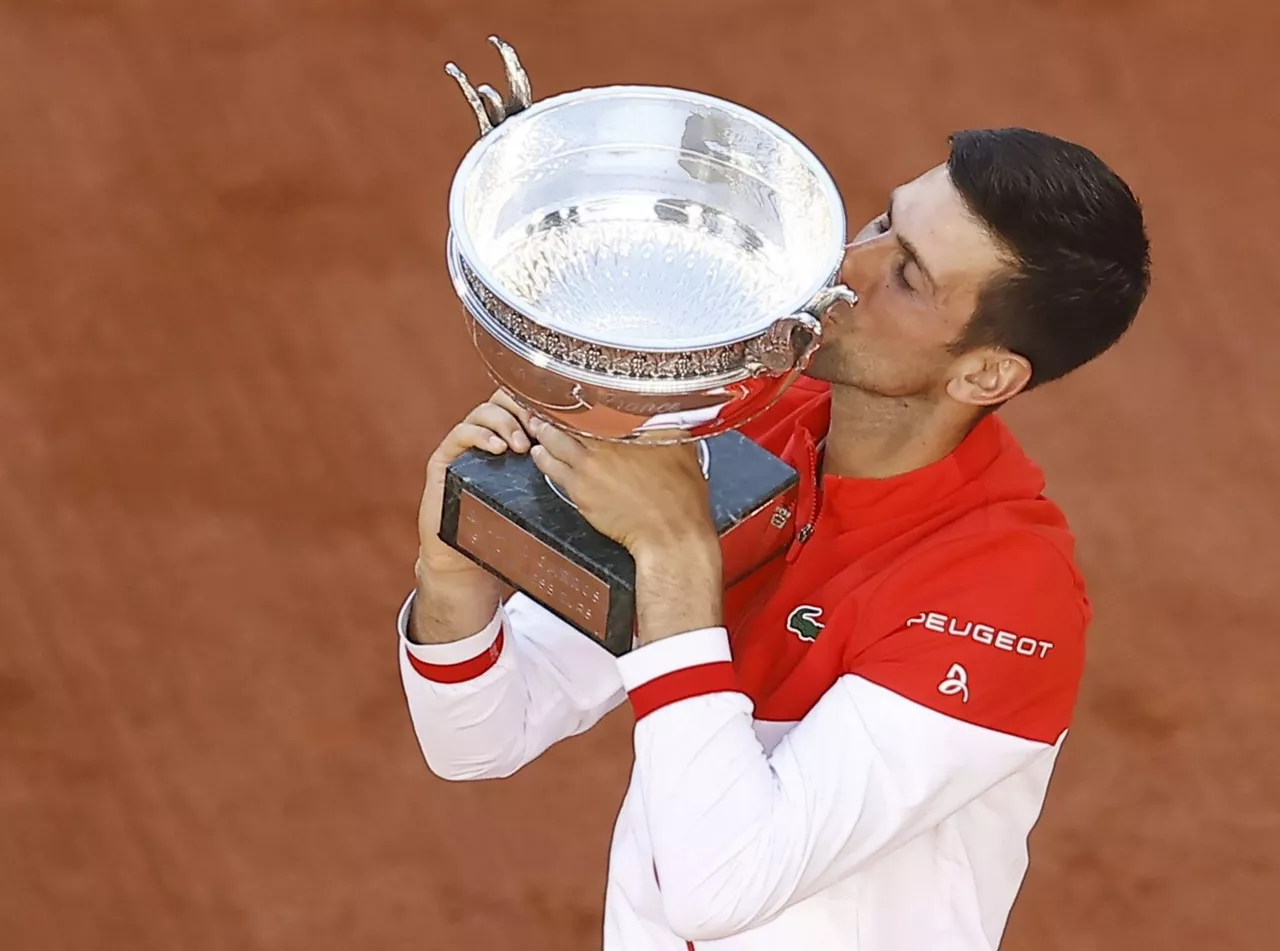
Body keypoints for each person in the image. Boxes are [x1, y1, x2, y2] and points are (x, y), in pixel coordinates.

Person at [397, 128, 1151, 950]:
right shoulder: (752, 428)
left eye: (906, 278)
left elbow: (720, 883)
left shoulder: (1006, 599)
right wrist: (455, 578)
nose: (846, 268)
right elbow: (481, 737)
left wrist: (678, 558)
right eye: (880, 224)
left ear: (985, 374)